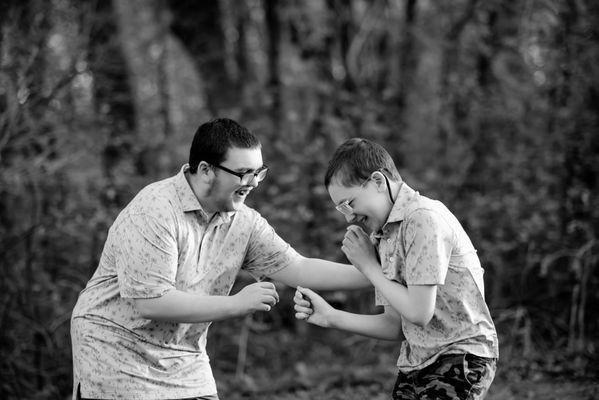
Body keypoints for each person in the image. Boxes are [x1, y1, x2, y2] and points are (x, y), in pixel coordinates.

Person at [70, 118, 370, 400]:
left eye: (258, 172)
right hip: (115, 352)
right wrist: (236, 303)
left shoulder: (244, 222)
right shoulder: (155, 211)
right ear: (205, 170)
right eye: (242, 173)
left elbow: (299, 267)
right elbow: (150, 301)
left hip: (184, 358)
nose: (252, 182)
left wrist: (377, 273)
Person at [294, 138, 499, 399]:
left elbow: (418, 312)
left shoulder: (422, 218)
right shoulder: (384, 234)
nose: (348, 217)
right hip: (416, 363)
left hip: (459, 356)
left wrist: (368, 266)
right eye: (340, 208)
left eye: (349, 203)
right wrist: (331, 316)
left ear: (378, 182)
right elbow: (394, 326)